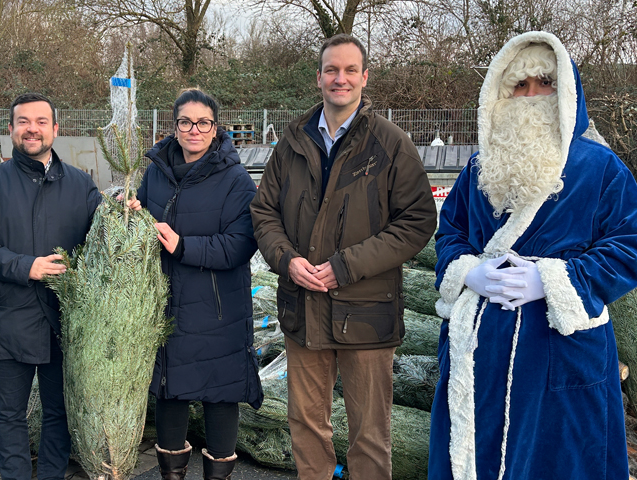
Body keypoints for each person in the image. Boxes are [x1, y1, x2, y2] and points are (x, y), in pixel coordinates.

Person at [428, 31, 637, 479]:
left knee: (558, 462)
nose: (530, 96)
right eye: (519, 86)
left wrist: (556, 281)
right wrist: (471, 272)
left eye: (544, 83)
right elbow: (450, 234)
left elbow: (630, 245)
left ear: (566, 92)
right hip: (479, 350)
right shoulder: (478, 168)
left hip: (559, 350)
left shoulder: (601, 168)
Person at [249, 34, 437, 479]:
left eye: (350, 70)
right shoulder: (292, 140)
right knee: (306, 426)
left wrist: (345, 267)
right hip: (303, 308)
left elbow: (417, 221)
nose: (340, 78)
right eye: (332, 69)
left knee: (369, 435)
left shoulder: (391, 145)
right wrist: (287, 260)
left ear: (365, 78)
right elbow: (264, 212)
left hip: (367, 314)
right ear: (318, 78)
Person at [0, 92, 101, 480]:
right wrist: (27, 267)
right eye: (23, 122)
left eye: (41, 121)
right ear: (11, 130)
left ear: (56, 129)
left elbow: (102, 240)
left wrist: (125, 213)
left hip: (65, 320)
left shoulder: (81, 187)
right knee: (10, 414)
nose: (32, 129)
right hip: (10, 317)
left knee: (59, 411)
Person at [125, 89, 263, 480]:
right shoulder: (156, 173)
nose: (194, 130)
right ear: (175, 126)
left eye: (203, 122)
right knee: (171, 390)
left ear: (215, 128)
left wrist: (184, 246)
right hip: (166, 304)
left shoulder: (236, 180)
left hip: (218, 310)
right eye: (185, 122)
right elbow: (140, 224)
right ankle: (171, 473)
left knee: (220, 395)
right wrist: (131, 211)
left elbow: (241, 245)